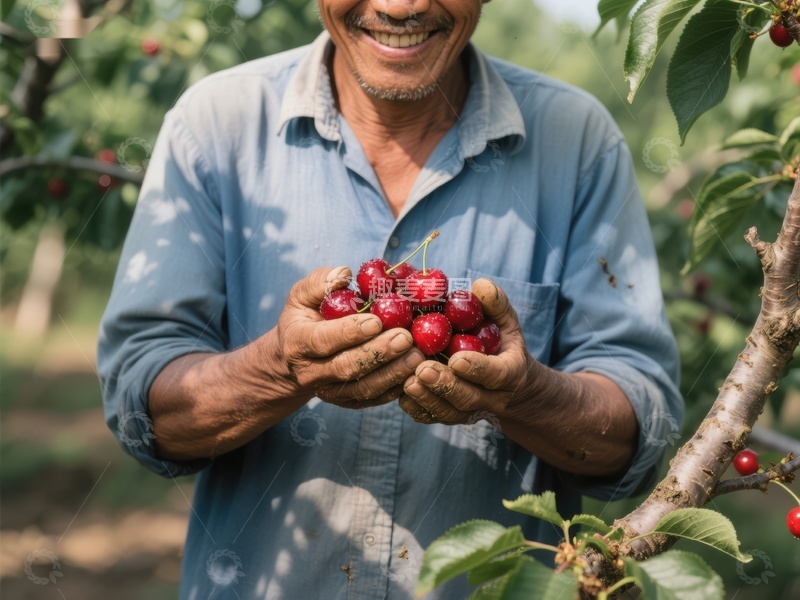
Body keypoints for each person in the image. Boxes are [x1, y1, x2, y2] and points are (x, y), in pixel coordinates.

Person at [98, 1, 683, 598]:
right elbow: (143, 409)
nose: (400, 6)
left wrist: (526, 395)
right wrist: (279, 367)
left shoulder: (576, 141)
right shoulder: (216, 124)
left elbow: (637, 436)